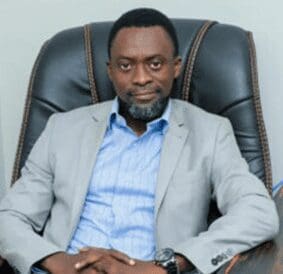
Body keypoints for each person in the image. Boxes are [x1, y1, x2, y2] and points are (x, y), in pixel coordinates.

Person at [0, 8, 279, 274]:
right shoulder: (62, 129)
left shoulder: (211, 132)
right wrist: (56, 261)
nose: (141, 78)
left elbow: (258, 213)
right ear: (110, 71)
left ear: (176, 67)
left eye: (155, 64)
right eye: (125, 66)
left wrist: (168, 265)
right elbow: (9, 218)